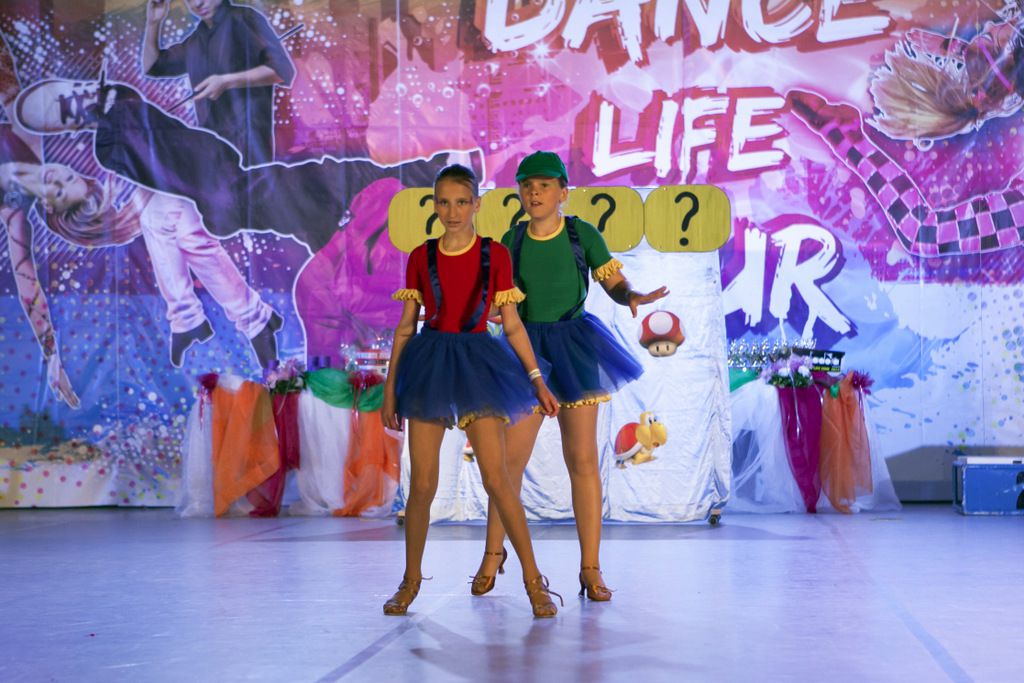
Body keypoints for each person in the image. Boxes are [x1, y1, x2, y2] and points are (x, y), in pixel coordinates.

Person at [0, 38, 280, 398]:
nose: (57, 176)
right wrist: (51, 355)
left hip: (130, 121)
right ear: (51, 207)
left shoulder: (27, 122)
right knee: (171, 220)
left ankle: (222, 321)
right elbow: (27, 283)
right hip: (139, 139)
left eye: (65, 178)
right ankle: (243, 321)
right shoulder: (18, 193)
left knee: (171, 217)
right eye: (62, 186)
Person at [471, 151, 668, 602]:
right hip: (526, 351)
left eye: (544, 185)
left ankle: (590, 568)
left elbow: (613, 283)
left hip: (576, 347)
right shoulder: (511, 240)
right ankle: (493, 554)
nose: (534, 193)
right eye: (527, 186)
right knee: (507, 465)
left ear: (563, 192)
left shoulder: (582, 234)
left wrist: (630, 295)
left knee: (581, 459)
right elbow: (501, 298)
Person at [380, 164, 562, 618]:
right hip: (430, 365)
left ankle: (533, 581)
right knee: (422, 485)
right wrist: (390, 390)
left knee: (497, 479)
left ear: (477, 204)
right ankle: (410, 580)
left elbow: (512, 325)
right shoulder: (421, 257)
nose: (453, 211)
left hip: (480, 364)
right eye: (444, 202)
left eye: (462, 202)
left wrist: (537, 380)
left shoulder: (494, 255)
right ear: (434, 205)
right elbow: (405, 328)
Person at [142, 0, 296, 166]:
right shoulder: (195, 39)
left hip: (249, 144)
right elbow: (152, 66)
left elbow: (282, 71)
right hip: (212, 148)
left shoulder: (243, 18)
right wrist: (153, 23)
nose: (198, 3)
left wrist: (227, 81)